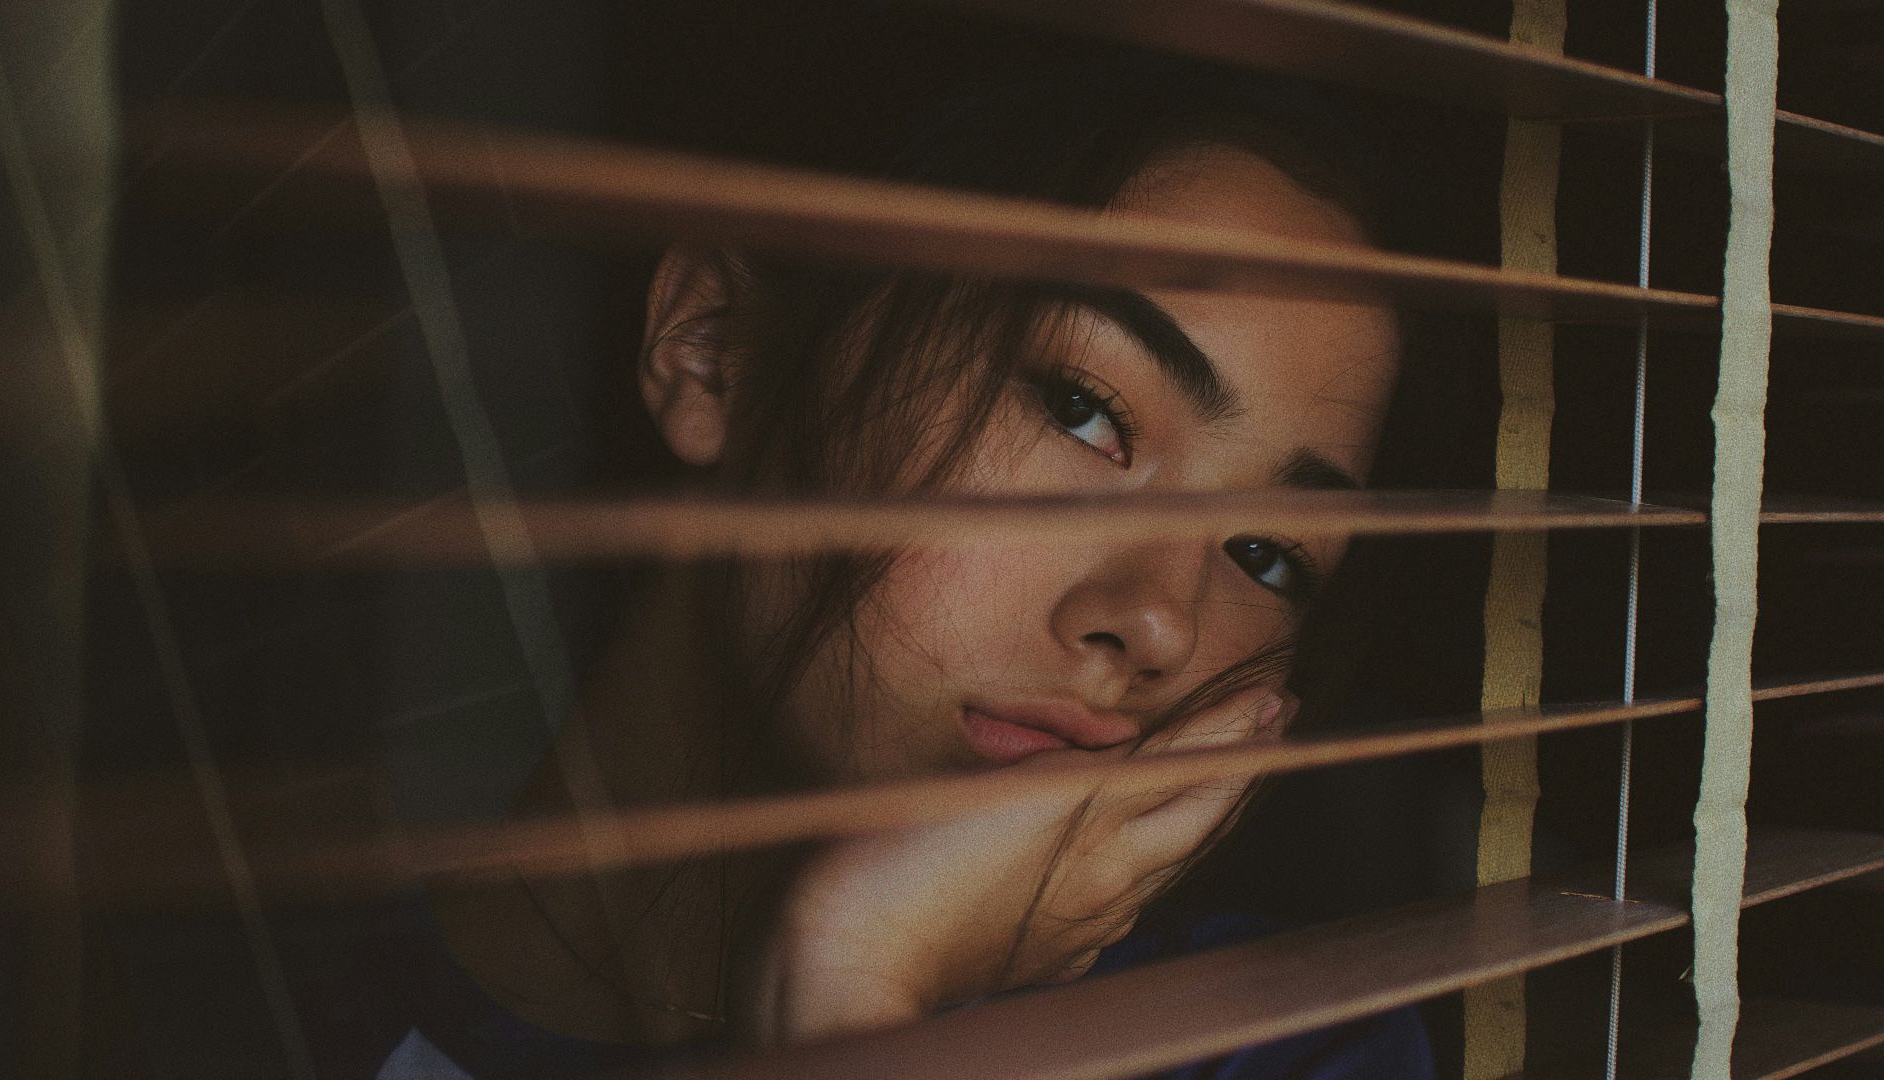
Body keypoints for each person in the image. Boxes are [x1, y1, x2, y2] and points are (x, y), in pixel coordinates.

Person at [390, 55, 1436, 1078]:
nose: (1160, 622)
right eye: (1084, 410)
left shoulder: (1282, 1047)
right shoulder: (261, 943)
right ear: (716, 348)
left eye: (1267, 555)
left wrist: (853, 982)